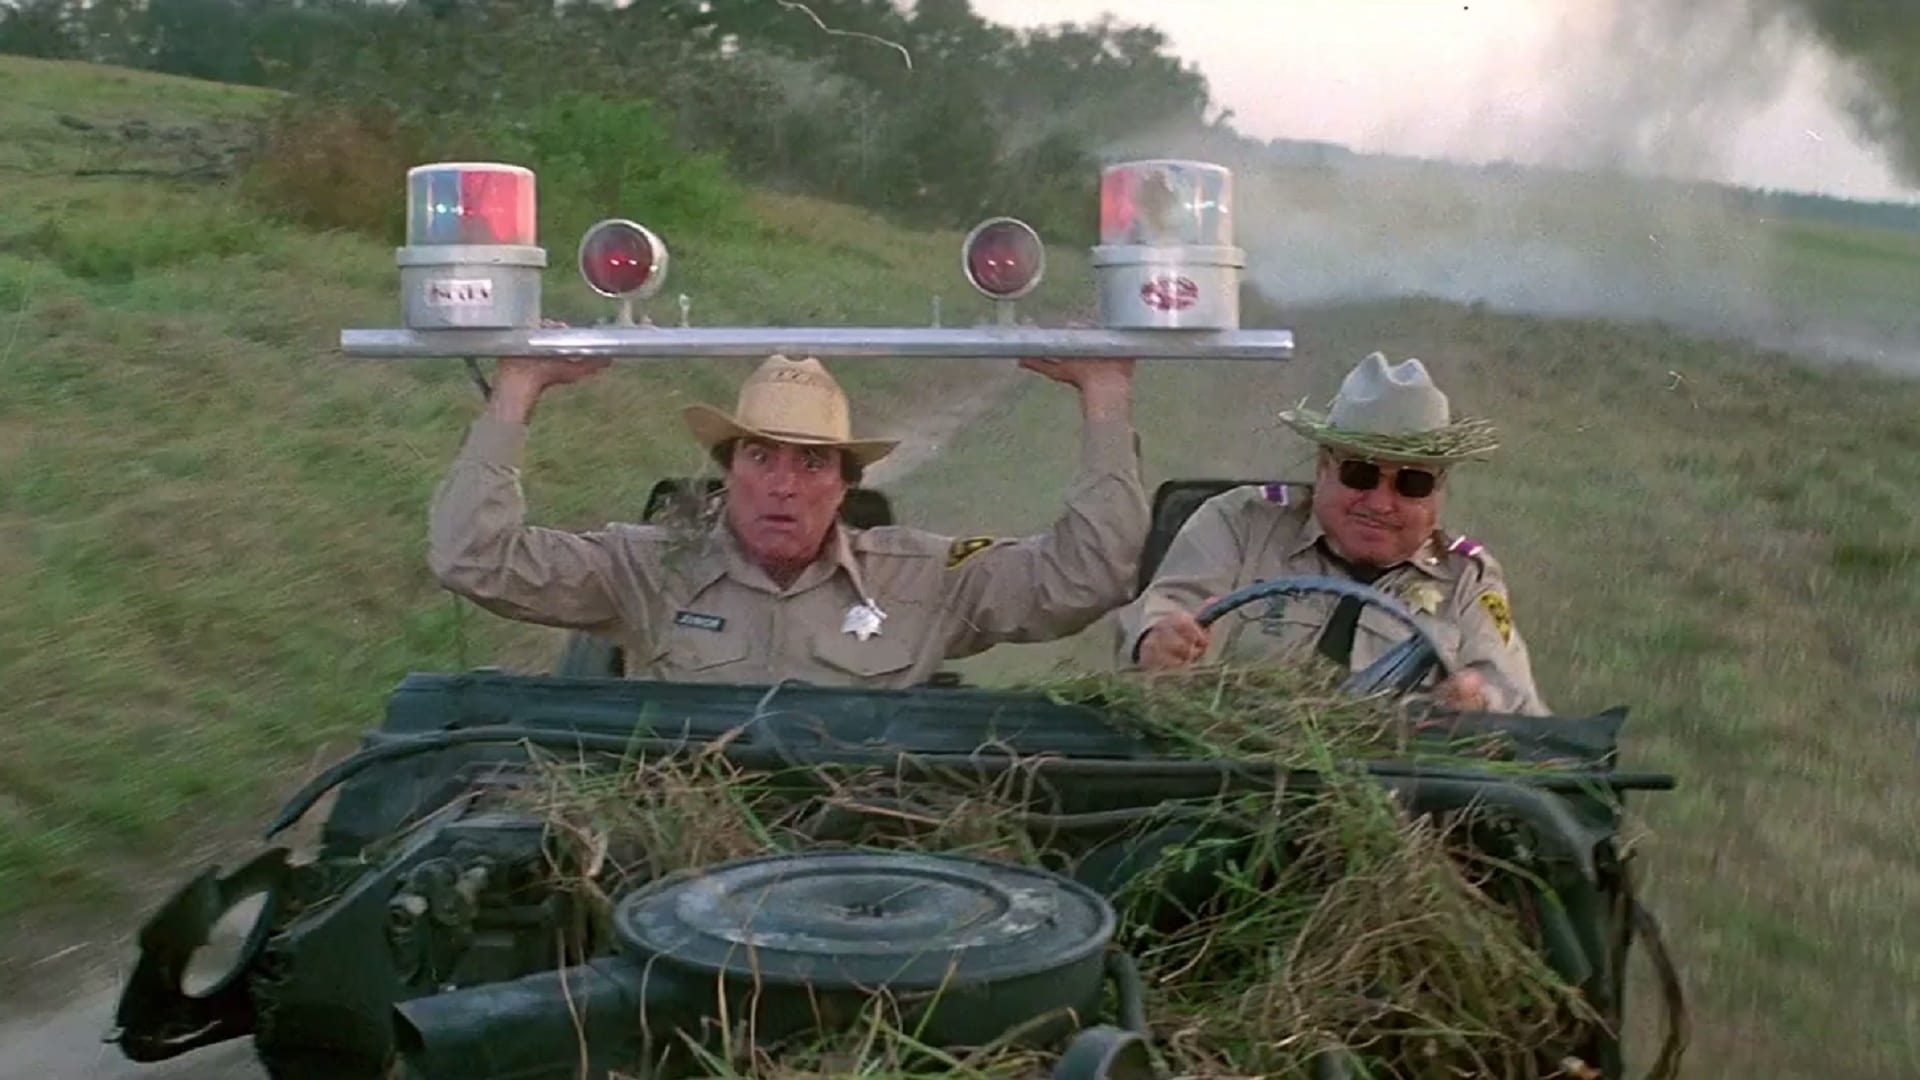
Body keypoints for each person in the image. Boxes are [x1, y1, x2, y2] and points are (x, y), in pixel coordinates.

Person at [428, 349, 1148, 688]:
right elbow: (474, 558)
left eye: (811, 463)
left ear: (844, 485)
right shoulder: (647, 569)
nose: (783, 486)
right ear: (727, 472)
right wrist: (518, 387)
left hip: (862, 873)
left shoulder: (924, 580)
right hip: (683, 867)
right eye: (760, 457)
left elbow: (1086, 578)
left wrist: (1105, 395)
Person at [1114, 351, 1549, 715]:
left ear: (1438, 491)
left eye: (1411, 483)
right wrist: (1158, 641)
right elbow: (1162, 611)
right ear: (1323, 467)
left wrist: (1477, 700)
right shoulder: (1240, 523)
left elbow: (1513, 697)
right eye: (1360, 474)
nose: (1380, 503)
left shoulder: (1466, 579)